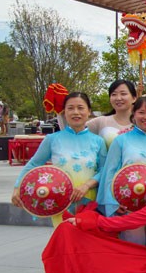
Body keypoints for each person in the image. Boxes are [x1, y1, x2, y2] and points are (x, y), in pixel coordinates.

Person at [11, 92, 107, 227]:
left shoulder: (98, 141)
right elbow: (34, 163)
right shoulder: (52, 139)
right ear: (64, 112)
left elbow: (104, 169)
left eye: (80, 108)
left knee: (86, 242)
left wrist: (86, 185)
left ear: (89, 111)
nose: (76, 112)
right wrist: (17, 187)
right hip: (59, 200)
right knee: (64, 240)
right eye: (70, 108)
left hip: (89, 199)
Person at [96, 97, 146, 246]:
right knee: (135, 247)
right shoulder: (121, 141)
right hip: (129, 206)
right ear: (133, 114)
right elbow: (109, 173)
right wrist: (114, 202)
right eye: (141, 112)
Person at [86, 80, 136, 149]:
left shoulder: (141, 123)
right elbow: (75, 132)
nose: (118, 98)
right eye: (114, 94)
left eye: (123, 94)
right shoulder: (101, 121)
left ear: (134, 98)